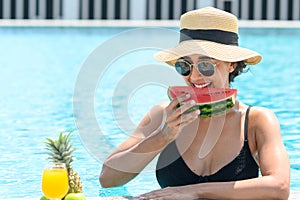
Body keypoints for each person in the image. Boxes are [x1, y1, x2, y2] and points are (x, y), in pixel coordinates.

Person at [99, 7, 290, 200]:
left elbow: (279, 186)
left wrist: (192, 191)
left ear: (231, 64)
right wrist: (162, 137)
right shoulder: (162, 115)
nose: (195, 76)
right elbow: (107, 179)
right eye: (184, 65)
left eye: (205, 65)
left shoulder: (256, 120)